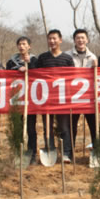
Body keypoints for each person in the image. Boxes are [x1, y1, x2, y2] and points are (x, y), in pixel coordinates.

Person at [37, 29, 75, 162]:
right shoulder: (42, 58)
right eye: (50, 39)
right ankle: (50, 150)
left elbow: (72, 79)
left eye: (54, 38)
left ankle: (66, 153)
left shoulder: (67, 59)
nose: (52, 41)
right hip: (46, 99)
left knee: (64, 127)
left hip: (62, 99)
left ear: (60, 40)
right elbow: (36, 77)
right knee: (47, 127)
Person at [6, 36, 39, 163]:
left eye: (24, 44)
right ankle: (17, 153)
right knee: (17, 127)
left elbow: (39, 74)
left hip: (30, 100)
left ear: (29, 46)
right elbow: (6, 76)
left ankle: (32, 154)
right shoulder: (11, 62)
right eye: (19, 44)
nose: (22, 46)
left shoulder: (35, 60)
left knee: (31, 128)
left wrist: (29, 65)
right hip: (16, 99)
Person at [67, 29, 98, 152]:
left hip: (89, 97)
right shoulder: (67, 56)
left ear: (87, 40)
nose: (80, 40)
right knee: (71, 125)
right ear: (74, 40)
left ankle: (96, 150)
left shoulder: (93, 57)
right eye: (78, 38)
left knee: (94, 125)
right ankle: (70, 152)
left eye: (83, 38)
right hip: (72, 97)